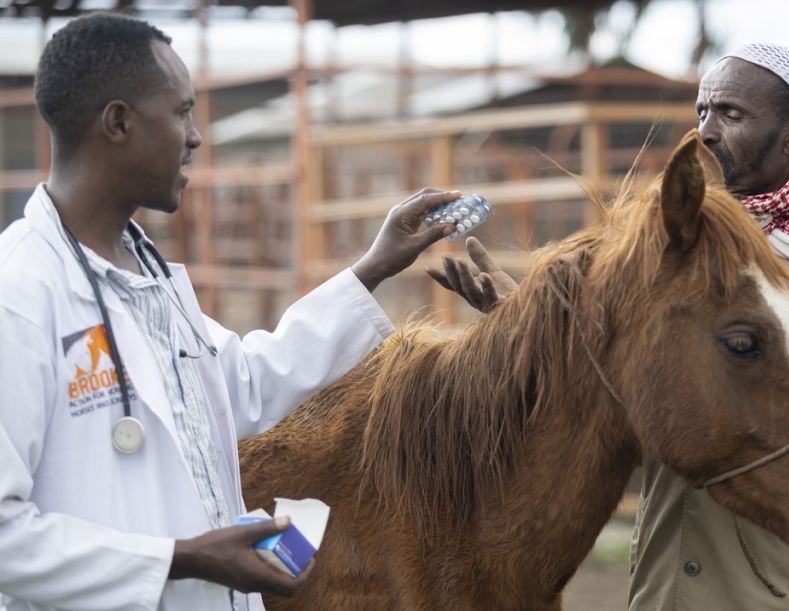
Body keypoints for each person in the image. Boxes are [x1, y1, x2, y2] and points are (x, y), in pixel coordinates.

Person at [428, 43, 789, 611]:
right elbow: (620, 407)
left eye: (731, 115)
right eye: (702, 113)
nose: (707, 132)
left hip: (787, 593)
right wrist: (543, 332)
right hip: (666, 591)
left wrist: (761, 418)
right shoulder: (675, 260)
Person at [0, 12, 461, 611]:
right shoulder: (20, 294)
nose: (194, 136)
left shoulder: (150, 275)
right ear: (119, 122)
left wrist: (374, 266)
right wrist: (182, 558)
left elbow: (240, 383)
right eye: (182, 112)